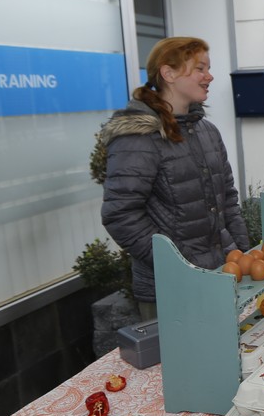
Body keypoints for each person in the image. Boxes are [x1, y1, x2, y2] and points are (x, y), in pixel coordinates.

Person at [99, 37, 251, 319]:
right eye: (200, 68)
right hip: (171, 290)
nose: (209, 76)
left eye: (208, 68)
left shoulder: (207, 132)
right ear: (168, 74)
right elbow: (120, 215)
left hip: (222, 275)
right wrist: (180, 265)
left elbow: (228, 199)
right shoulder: (138, 137)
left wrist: (243, 251)